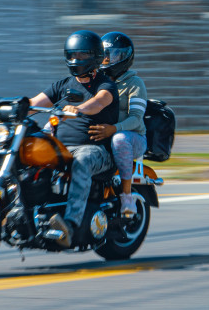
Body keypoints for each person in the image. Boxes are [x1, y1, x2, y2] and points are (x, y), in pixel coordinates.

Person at [29, 30, 119, 248]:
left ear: (95, 57)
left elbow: (98, 103)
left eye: (82, 56)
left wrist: (79, 109)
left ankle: (69, 225)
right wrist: (10, 108)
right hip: (61, 148)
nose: (76, 60)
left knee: (82, 161)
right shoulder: (62, 85)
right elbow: (34, 103)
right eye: (73, 55)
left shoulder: (106, 85)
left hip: (97, 151)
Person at [89, 31, 148, 217]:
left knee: (119, 139)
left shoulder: (134, 83)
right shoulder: (97, 81)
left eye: (113, 54)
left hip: (133, 138)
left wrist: (114, 129)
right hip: (104, 135)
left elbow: (136, 119)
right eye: (105, 54)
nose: (107, 59)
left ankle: (127, 196)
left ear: (125, 57)